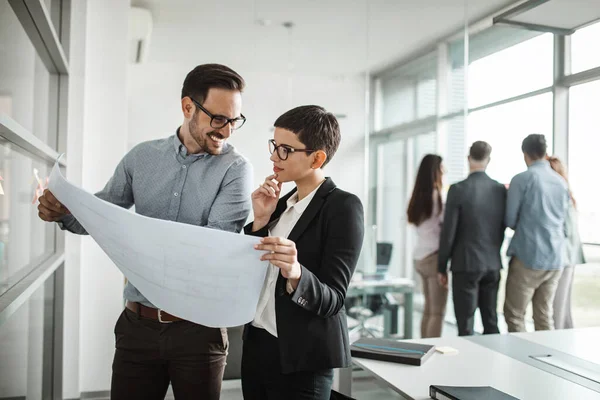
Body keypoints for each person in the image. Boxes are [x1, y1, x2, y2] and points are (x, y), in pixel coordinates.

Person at [37, 64, 253, 400]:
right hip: (137, 327)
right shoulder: (141, 158)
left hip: (199, 330)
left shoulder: (236, 170)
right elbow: (99, 215)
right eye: (219, 119)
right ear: (188, 107)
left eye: (234, 121)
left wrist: (132, 241)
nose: (226, 131)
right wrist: (63, 211)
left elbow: (212, 250)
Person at [241, 105, 364, 400]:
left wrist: (296, 273)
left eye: (285, 150)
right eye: (274, 146)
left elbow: (333, 299)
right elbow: (254, 271)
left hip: (302, 360)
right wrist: (260, 221)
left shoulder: (343, 207)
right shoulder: (280, 205)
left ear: (317, 158)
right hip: (257, 348)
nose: (273, 157)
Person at [438, 141, 507, 336]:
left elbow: (448, 232)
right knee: (491, 321)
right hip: (492, 263)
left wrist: (441, 266)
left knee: (465, 324)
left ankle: (469, 365)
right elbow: (502, 226)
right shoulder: (499, 189)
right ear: (489, 160)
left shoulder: (458, 189)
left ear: (468, 159)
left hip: (465, 264)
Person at [504, 134, 570, 332]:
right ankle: (546, 361)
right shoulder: (560, 182)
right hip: (555, 258)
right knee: (544, 315)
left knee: (515, 315)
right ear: (544, 152)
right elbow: (565, 222)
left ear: (525, 154)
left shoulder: (522, 179)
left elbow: (510, 220)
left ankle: (520, 362)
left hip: (529, 256)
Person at [407, 154, 447, 338]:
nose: (444, 171)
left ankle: (422, 347)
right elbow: (446, 226)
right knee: (437, 312)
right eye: (441, 168)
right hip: (433, 258)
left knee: (428, 309)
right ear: (435, 171)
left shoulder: (417, 196)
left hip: (419, 257)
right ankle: (432, 349)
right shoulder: (437, 197)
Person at [548, 156, 585, 330]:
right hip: (566, 257)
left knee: (557, 310)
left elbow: (568, 233)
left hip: (564, 258)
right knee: (562, 310)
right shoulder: (567, 196)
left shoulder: (563, 197)